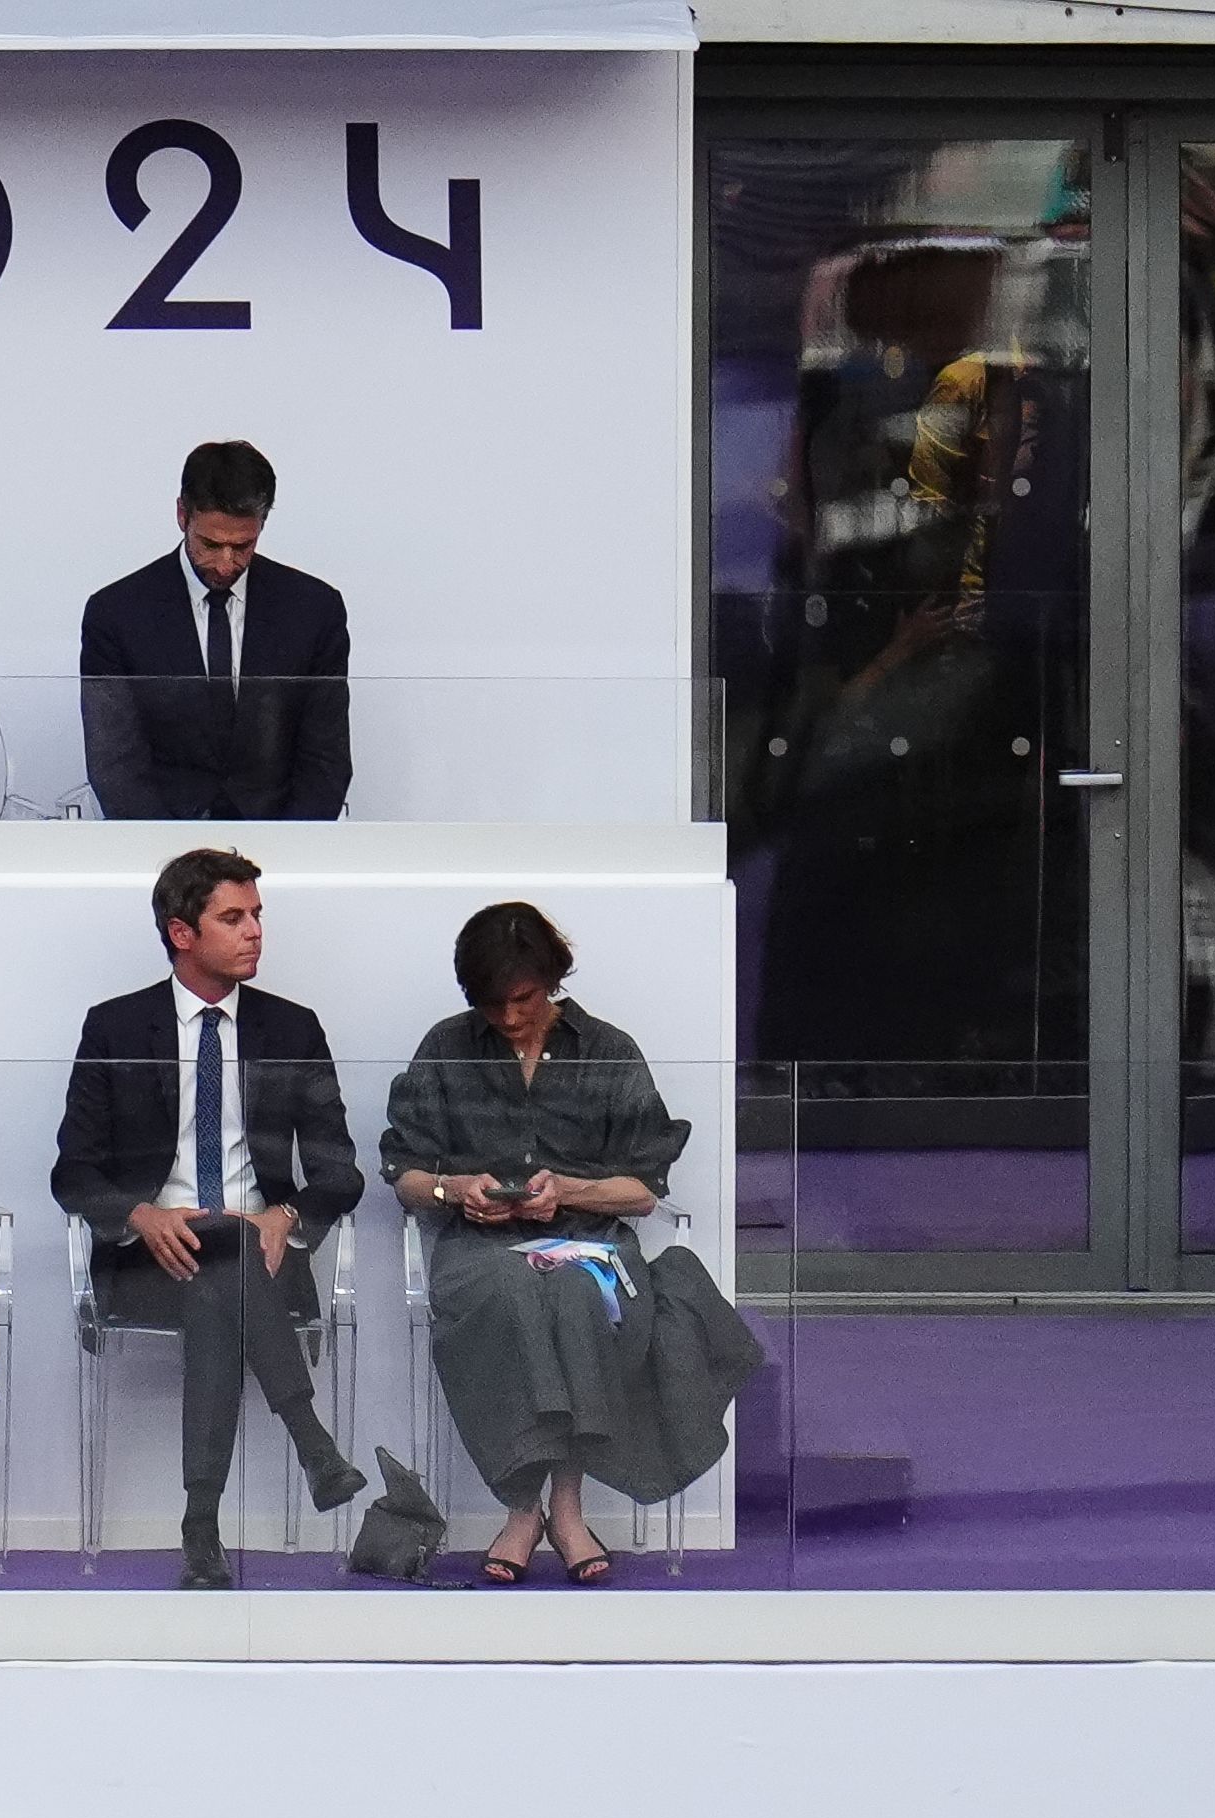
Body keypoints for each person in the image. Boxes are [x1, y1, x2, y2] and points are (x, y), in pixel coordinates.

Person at [380, 901, 761, 1585]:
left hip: (589, 1242)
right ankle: (531, 1508)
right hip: (481, 1249)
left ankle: (560, 1504)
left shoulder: (608, 1050)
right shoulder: (447, 1046)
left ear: (551, 980)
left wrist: (570, 1193)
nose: (510, 1017)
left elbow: (643, 1190)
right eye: (493, 1004)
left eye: (522, 999)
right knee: (513, 1295)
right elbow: (404, 1173)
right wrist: (457, 1189)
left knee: (580, 1298)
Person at [52, 848, 369, 1591]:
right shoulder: (117, 1028)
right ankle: (313, 1444)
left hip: (258, 1252)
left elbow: (340, 1170)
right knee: (212, 1272)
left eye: (258, 915)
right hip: (147, 1260)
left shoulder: (292, 1029)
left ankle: (201, 1528)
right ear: (181, 933)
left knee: (221, 1272)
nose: (256, 931)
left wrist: (283, 1216)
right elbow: (73, 1172)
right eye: (234, 917)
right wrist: (141, 1215)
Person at [77, 440, 351, 822]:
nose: (226, 564)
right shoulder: (117, 613)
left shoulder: (313, 609)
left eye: (243, 546)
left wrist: (291, 847)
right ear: (181, 515)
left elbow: (325, 758)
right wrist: (175, 860)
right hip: (162, 851)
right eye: (210, 544)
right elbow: (115, 763)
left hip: (279, 845)